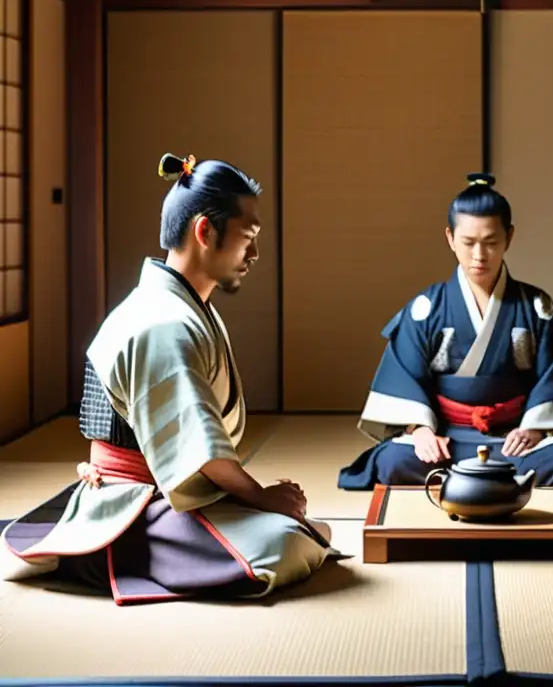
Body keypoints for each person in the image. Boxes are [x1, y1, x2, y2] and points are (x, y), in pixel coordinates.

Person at [1, 153, 337, 605]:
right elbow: (198, 451)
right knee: (284, 542)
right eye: (248, 238)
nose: (254, 253)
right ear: (205, 231)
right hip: (139, 500)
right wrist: (260, 497)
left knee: (302, 529)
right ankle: (103, 552)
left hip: (174, 486)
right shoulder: (162, 323)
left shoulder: (181, 307)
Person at [338, 173, 553, 495]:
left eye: (491, 242)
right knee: (394, 462)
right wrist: (420, 430)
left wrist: (534, 429)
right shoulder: (427, 308)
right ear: (450, 238)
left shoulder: (535, 306)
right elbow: (405, 376)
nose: (479, 255)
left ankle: (462, 480)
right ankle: (484, 478)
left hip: (513, 439)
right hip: (447, 437)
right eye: (468, 243)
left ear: (509, 237)